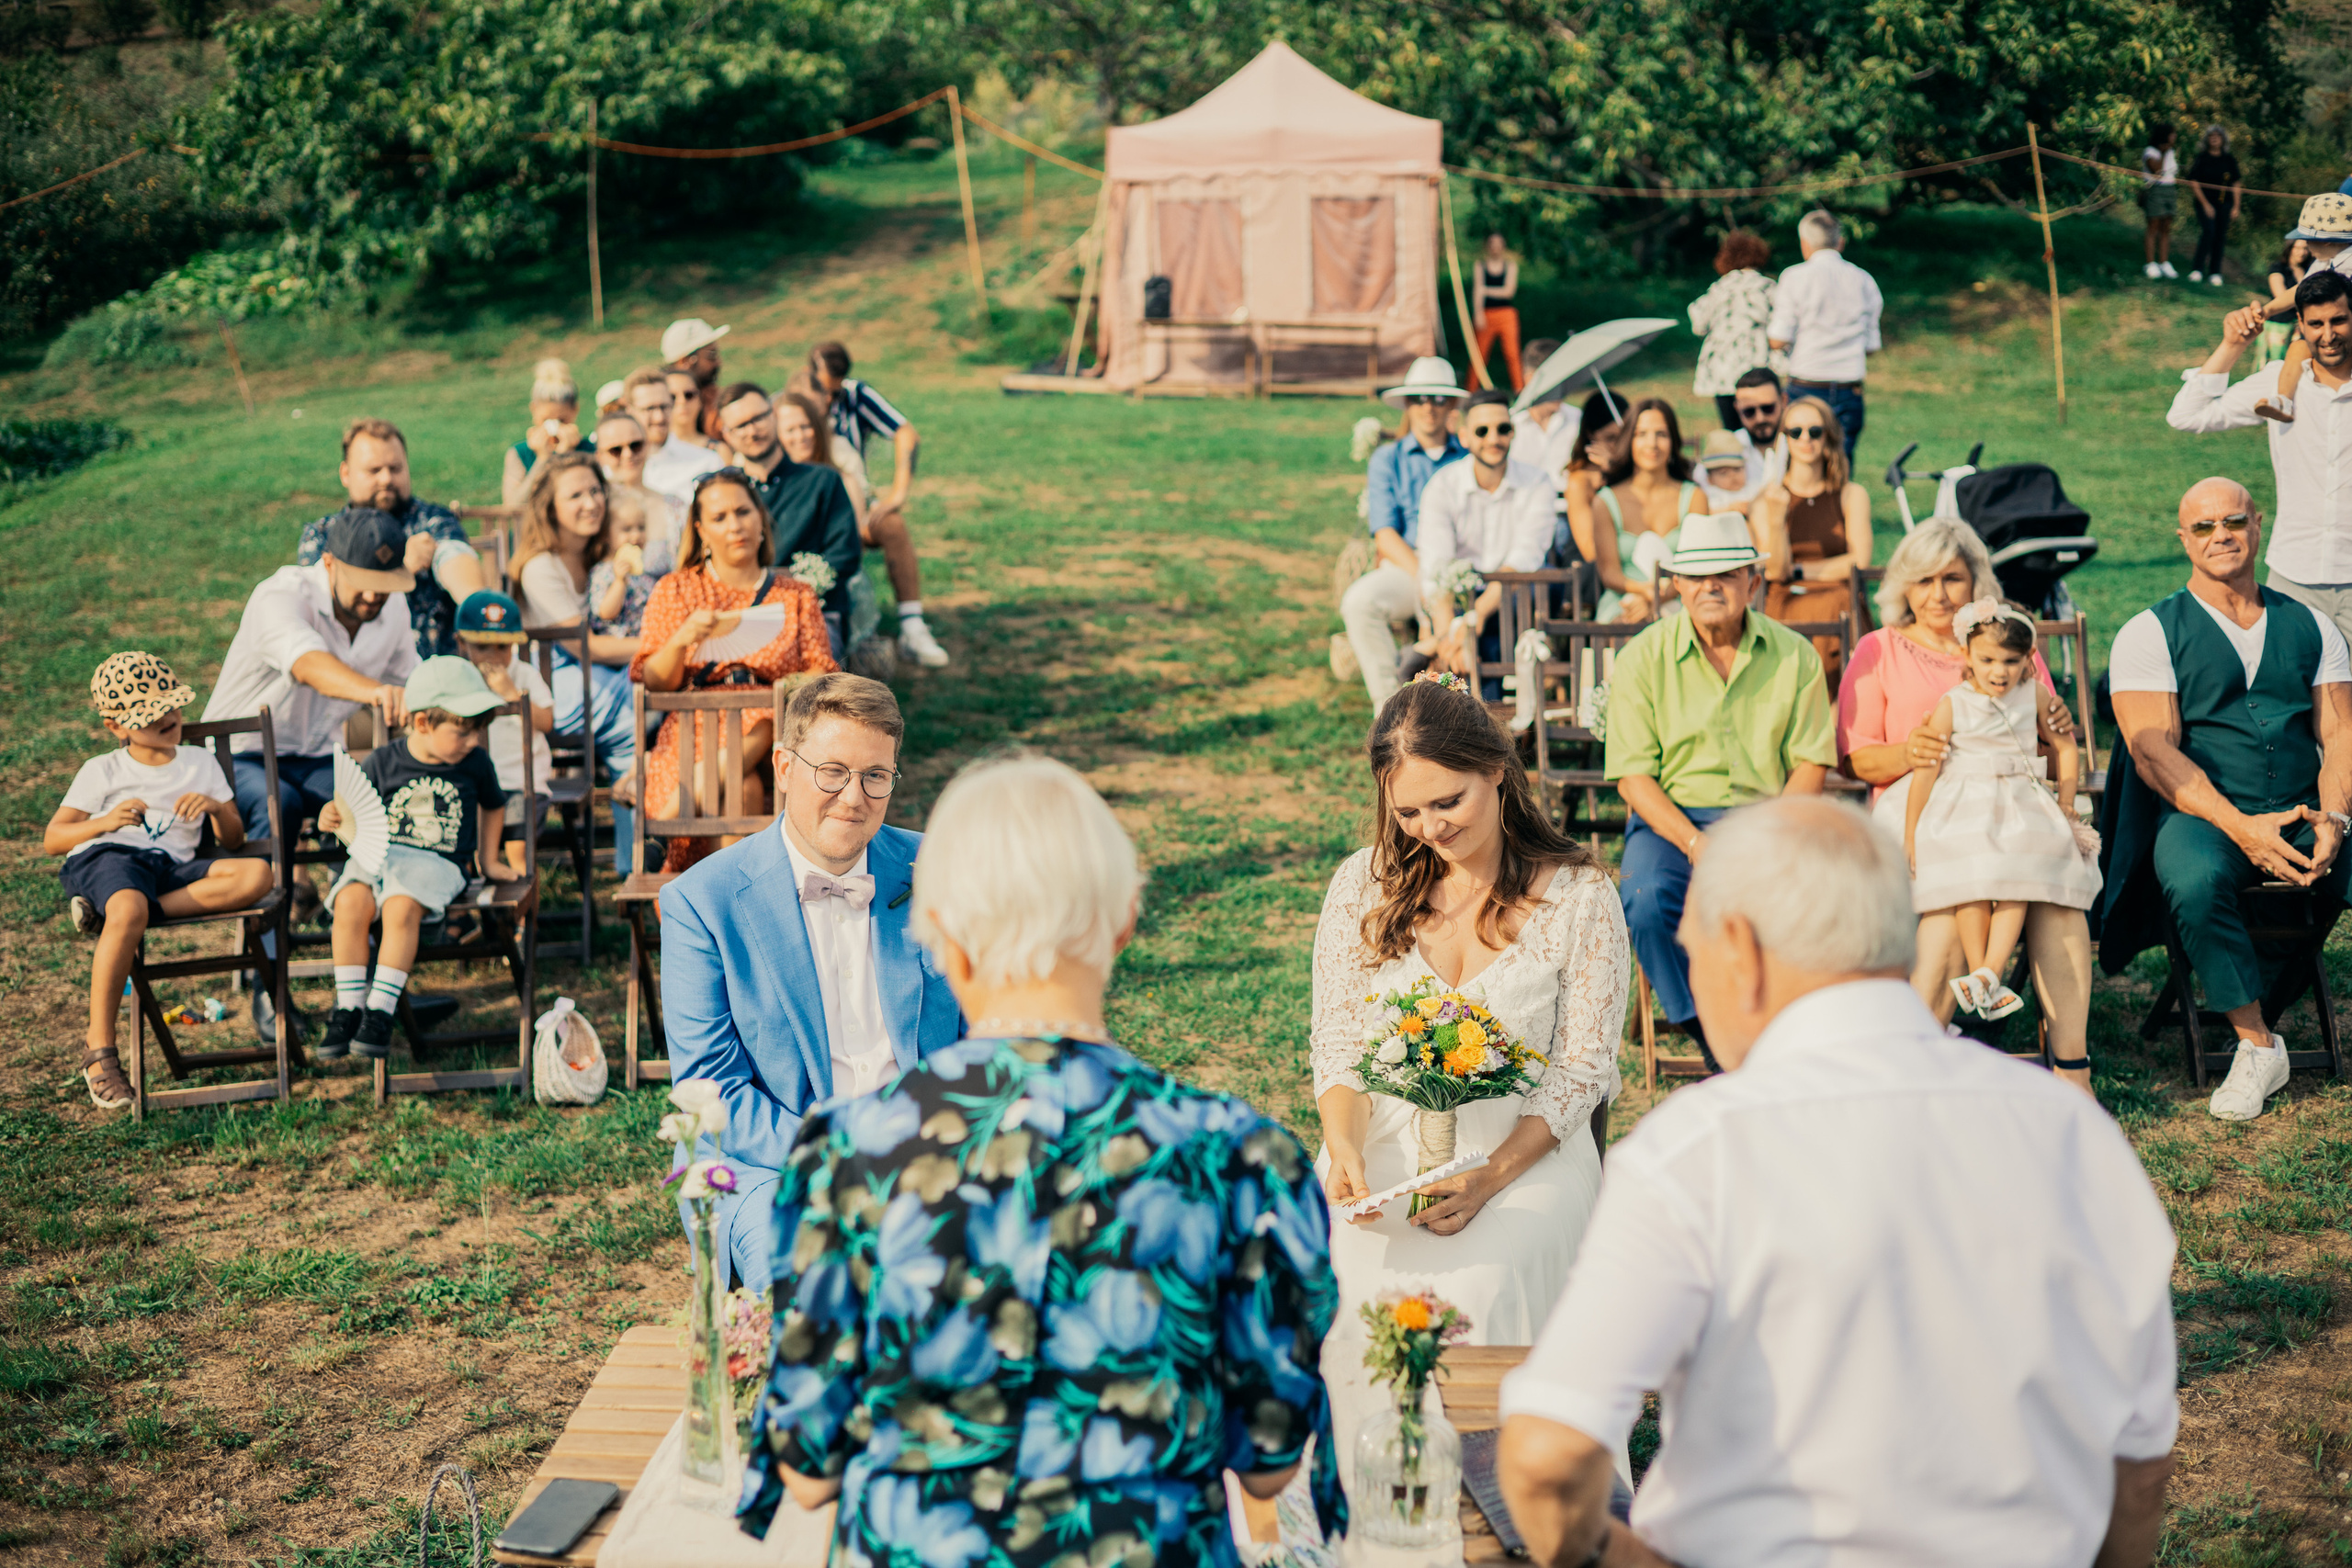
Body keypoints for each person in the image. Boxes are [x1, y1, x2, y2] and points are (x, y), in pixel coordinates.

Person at [1495, 799, 2177, 1568]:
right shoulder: (2074, 1131)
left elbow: (1548, 1458)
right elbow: (2140, 1464)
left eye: (1691, 956)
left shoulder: (1700, 1150)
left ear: (1740, 951)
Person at [737, 748, 1342, 1564]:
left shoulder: (849, 1153)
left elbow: (808, 1472)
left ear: (941, 935)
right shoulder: (1237, 1155)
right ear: (1125, 920)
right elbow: (1268, 1461)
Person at [1309, 674, 1628, 1504]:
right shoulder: (1362, 885)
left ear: (1496, 768)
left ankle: (1519, 1502)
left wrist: (1491, 1176)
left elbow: (1581, 1070)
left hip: (1528, 1145)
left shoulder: (1582, 897)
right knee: (1355, 1268)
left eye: (1446, 801)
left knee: (1482, 1281)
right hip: (1383, 1142)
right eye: (1408, 812)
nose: (1430, 827)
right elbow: (1339, 1046)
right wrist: (1342, 1146)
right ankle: (1381, 1500)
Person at [657, 673, 960, 1292]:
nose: (854, 797)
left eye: (876, 775)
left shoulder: (942, 870)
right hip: (770, 1164)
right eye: (833, 771)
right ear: (784, 766)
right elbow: (713, 1091)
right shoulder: (702, 902)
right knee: (813, 1275)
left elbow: (987, 1034)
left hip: (930, 1154)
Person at [2099, 478, 2352, 1122]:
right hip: (2203, 818)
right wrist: (2242, 829)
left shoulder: (2312, 624)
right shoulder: (2149, 631)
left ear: (2258, 525)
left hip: (2301, 810)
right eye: (2204, 526)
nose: (2221, 535)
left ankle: (2270, 991)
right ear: (2183, 538)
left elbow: (2339, 730)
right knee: (2193, 875)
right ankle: (2256, 1042)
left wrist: (2335, 817)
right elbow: (2154, 753)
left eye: (2233, 521)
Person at [1836, 517, 2093, 1088]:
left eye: (1951, 579)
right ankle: (1916, 1063)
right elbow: (1857, 760)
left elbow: (2046, 738)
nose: (1937, 595)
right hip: (1920, 808)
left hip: (2008, 803)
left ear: (1976, 583)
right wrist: (1912, 749)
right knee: (1955, 896)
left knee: (2057, 891)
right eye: (1923, 580)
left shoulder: (2008, 644)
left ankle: (2073, 1067)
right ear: (1903, 586)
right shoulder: (1879, 649)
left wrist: (2061, 724)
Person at [1605, 516, 1836, 1063]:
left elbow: (1810, 762)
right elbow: (1634, 777)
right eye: (1697, 574)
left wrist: (1767, 837)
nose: (1712, 585)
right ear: (1677, 585)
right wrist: (1695, 844)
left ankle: (1790, 1028)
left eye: (1727, 573)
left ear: (1752, 582)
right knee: (1642, 899)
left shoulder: (1794, 654)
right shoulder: (1643, 656)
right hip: (1674, 820)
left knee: (1810, 898)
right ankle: (1709, 1031)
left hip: (1769, 818)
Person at [205, 506, 422, 1044]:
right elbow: (308, 665)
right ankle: (269, 987)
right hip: (244, 753)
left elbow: (411, 680)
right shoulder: (279, 596)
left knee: (379, 810)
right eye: (364, 583)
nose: (375, 596)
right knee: (281, 808)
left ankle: (381, 984)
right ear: (329, 563)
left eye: (386, 586)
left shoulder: (391, 611)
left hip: (316, 754)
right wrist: (373, 692)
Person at [49, 652, 274, 1110]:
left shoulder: (199, 762)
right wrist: (106, 821)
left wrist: (215, 808)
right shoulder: (104, 770)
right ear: (116, 726)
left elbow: (233, 840)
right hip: (112, 856)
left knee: (258, 873)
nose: (168, 718)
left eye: (171, 706)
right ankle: (99, 1052)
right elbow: (55, 837)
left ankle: (113, 916)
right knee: (129, 905)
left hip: (172, 868)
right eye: (151, 716)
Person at [1903, 602, 2099, 1030]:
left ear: (2029, 660)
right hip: (1965, 804)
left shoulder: (2035, 694)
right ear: (1967, 656)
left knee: (2019, 870)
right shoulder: (1952, 703)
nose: (1999, 671)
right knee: (1970, 880)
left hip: (2019, 800)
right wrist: (1911, 832)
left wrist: (2066, 802)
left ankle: (1988, 973)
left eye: (2011, 661)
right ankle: (1983, 973)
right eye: (1987, 660)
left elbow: (2065, 748)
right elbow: (1926, 771)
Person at [631, 469, 837, 873]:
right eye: (720, 517)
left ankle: (669, 820)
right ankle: (737, 916)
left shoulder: (795, 595)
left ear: (761, 517)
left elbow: (821, 672)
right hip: (697, 731)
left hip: (777, 734)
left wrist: (783, 689)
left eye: (743, 512)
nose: (735, 525)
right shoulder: (677, 589)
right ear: (701, 530)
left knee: (763, 714)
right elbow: (654, 680)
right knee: (741, 789)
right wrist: (682, 639)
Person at [314, 657, 517, 1062]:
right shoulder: (384, 761)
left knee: (400, 905)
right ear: (423, 723)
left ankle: (380, 1013)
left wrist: (489, 860)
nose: (474, 740)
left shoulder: (474, 764)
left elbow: (495, 806)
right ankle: (349, 1006)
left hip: (438, 863)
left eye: (478, 730)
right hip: (380, 856)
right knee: (351, 901)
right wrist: (330, 816)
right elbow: (350, 811)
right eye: (463, 731)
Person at [2170, 270, 2352, 645]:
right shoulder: (2279, 382)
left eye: (2339, 320)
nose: (2328, 334)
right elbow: (2187, 415)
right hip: (2294, 576)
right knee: (2292, 699)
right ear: (2300, 325)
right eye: (2316, 324)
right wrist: (2232, 345)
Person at [508, 452, 640, 811]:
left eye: (596, 491)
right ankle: (642, 848)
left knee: (642, 707)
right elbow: (589, 648)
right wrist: (660, 647)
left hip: (593, 677)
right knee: (642, 700)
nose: (591, 503)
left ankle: (639, 851)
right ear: (550, 508)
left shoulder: (599, 557)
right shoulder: (539, 568)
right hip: (551, 688)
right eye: (575, 496)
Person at [296, 418, 486, 660]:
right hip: (356, 676)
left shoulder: (431, 520)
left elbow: (455, 555)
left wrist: (477, 604)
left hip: (435, 675)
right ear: (346, 474)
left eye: (395, 468)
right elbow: (323, 601)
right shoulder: (324, 534)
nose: (386, 479)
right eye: (374, 470)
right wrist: (398, 569)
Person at [808, 343, 947, 666]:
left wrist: (898, 493)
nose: (830, 400)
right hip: (814, 512)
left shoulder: (855, 396)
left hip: (855, 505)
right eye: (825, 392)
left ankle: (912, 625)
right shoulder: (794, 403)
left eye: (836, 390)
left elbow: (906, 433)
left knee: (892, 524)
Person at [1340, 356, 1469, 707]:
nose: (1430, 407)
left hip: (1458, 567)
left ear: (1452, 404)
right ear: (1408, 404)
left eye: (1439, 398)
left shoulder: (1469, 457)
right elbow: (1385, 533)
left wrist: (1442, 581)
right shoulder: (1388, 458)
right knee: (1359, 602)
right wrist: (1424, 581)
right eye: (1421, 398)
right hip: (1407, 564)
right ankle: (1388, 706)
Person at [1419, 389, 1559, 692]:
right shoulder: (1442, 487)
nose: (1494, 438)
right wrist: (1450, 637)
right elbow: (1436, 567)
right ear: (1465, 436)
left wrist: (1477, 616)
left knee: (1506, 620)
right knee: (1465, 646)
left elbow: (1526, 557)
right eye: (1483, 431)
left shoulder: (1537, 483)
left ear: (1513, 432)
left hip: (1515, 597)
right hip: (1459, 602)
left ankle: (1493, 722)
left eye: (1503, 429)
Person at [712, 384, 864, 660]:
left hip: (814, 613)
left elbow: (845, 556)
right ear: (727, 435)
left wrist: (780, 584)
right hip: (738, 616)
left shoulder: (822, 481)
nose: (752, 430)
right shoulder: (720, 494)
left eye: (758, 418)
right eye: (740, 425)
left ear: (774, 416)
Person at [1754, 393, 1871, 683]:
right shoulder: (1765, 500)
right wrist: (1777, 518)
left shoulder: (1850, 494)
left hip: (1836, 597)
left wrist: (1801, 570)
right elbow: (1776, 570)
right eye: (1795, 432)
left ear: (1828, 436)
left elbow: (1859, 561)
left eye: (1815, 431)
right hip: (1785, 601)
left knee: (1838, 604)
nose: (1805, 439)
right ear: (1784, 440)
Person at [1570, 397, 1711, 623]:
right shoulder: (1605, 501)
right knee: (1623, 626)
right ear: (1629, 441)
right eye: (1641, 434)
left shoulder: (1695, 497)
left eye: (1661, 434)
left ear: (1673, 441)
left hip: (1682, 598)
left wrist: (1657, 599)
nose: (1652, 444)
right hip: (1624, 599)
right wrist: (1644, 593)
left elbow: (1697, 567)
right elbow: (1609, 573)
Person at [452, 590, 555, 879]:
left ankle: (523, 918)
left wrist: (513, 695)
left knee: (518, 849)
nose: (495, 657)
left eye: (502, 647)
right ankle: (482, 914)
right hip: (473, 783)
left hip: (522, 783)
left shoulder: (523, 675)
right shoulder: (460, 678)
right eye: (483, 648)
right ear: (462, 643)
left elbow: (547, 721)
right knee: (467, 847)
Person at [1767, 211, 1881, 460]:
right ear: (1840, 242)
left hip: (1806, 382)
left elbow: (1778, 339)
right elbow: (1871, 346)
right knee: (1841, 464)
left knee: (1797, 464)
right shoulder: (1863, 280)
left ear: (1804, 244)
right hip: (1848, 386)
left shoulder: (1794, 277)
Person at [1687, 229, 1779, 428]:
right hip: (1757, 366)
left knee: (1733, 430)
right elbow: (1780, 325)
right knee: (1760, 426)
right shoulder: (1767, 286)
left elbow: (1698, 324)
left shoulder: (1720, 287)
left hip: (1723, 369)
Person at [628, 367, 724, 516]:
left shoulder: (707, 463)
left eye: (664, 407)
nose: (659, 417)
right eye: (649, 409)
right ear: (630, 411)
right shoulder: (615, 466)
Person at [501, 358, 587, 507]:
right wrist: (542, 460)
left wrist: (566, 456)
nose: (554, 429)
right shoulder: (520, 453)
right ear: (534, 410)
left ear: (575, 410)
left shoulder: (589, 449)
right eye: (547, 420)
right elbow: (513, 506)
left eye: (561, 420)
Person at [587, 485, 662, 640]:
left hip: (645, 645)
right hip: (616, 652)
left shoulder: (645, 572)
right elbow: (606, 613)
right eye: (626, 529)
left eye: (641, 527)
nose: (636, 535)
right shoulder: (604, 572)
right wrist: (620, 582)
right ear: (606, 534)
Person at [2187, 125, 2241, 287]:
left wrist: (2236, 206)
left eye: (2218, 135)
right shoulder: (2202, 158)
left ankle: (2215, 272)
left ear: (2223, 139)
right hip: (2205, 203)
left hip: (2225, 204)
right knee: (2208, 232)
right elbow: (2193, 181)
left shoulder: (2229, 159)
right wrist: (2205, 204)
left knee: (2220, 236)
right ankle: (2197, 269)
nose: (2214, 138)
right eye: (2211, 136)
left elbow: (2236, 182)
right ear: (2207, 139)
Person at [660, 316, 729, 441]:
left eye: (690, 395)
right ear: (685, 361)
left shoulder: (714, 397)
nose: (718, 362)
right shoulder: (657, 404)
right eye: (711, 356)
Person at [1726, 367, 1790, 501]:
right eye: (1749, 411)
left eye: (1768, 408)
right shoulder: (1729, 446)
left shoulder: (1803, 441)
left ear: (1783, 401)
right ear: (1737, 409)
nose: (1760, 418)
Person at [1472, 232, 1524, 391]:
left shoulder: (1510, 265)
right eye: (1492, 244)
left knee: (1512, 354)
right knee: (1479, 355)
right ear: (1487, 246)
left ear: (1503, 246)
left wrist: (1485, 290)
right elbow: (1477, 290)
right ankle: (1470, 391)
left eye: (1498, 244)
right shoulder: (1480, 265)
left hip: (1507, 314)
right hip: (1486, 314)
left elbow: (1508, 292)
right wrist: (1478, 312)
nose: (1495, 247)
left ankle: (1520, 390)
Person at [2266, 238, 2314, 364]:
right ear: (2290, 249)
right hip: (2279, 324)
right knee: (2274, 364)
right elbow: (2280, 295)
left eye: (2305, 248)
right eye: (2297, 248)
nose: (2302, 252)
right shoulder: (2278, 268)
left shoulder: (2309, 269)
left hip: (2298, 326)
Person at [2142, 121, 2180, 279]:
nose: (2174, 137)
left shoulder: (2171, 151)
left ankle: (2164, 262)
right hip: (2156, 190)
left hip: (2170, 189)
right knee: (2153, 226)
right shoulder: (2150, 151)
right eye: (2172, 133)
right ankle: (2150, 263)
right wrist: (2164, 153)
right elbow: (2156, 171)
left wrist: (2168, 152)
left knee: (2166, 227)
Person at [1693, 431, 1758, 516]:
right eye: (1723, 473)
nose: (1732, 476)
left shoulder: (1752, 489)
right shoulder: (1712, 495)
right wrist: (1729, 509)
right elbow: (1706, 513)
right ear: (1710, 479)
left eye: (1737, 469)